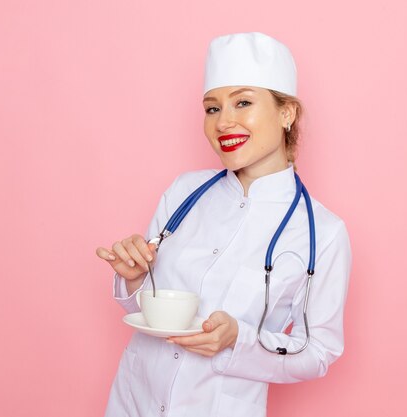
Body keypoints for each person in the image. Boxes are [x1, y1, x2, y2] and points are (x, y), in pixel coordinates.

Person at [96, 32, 351, 417]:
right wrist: (134, 279)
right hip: (134, 401)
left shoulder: (323, 233)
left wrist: (239, 341)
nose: (223, 122)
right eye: (212, 108)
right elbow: (148, 310)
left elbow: (317, 351)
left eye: (243, 102)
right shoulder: (184, 192)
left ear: (287, 113)